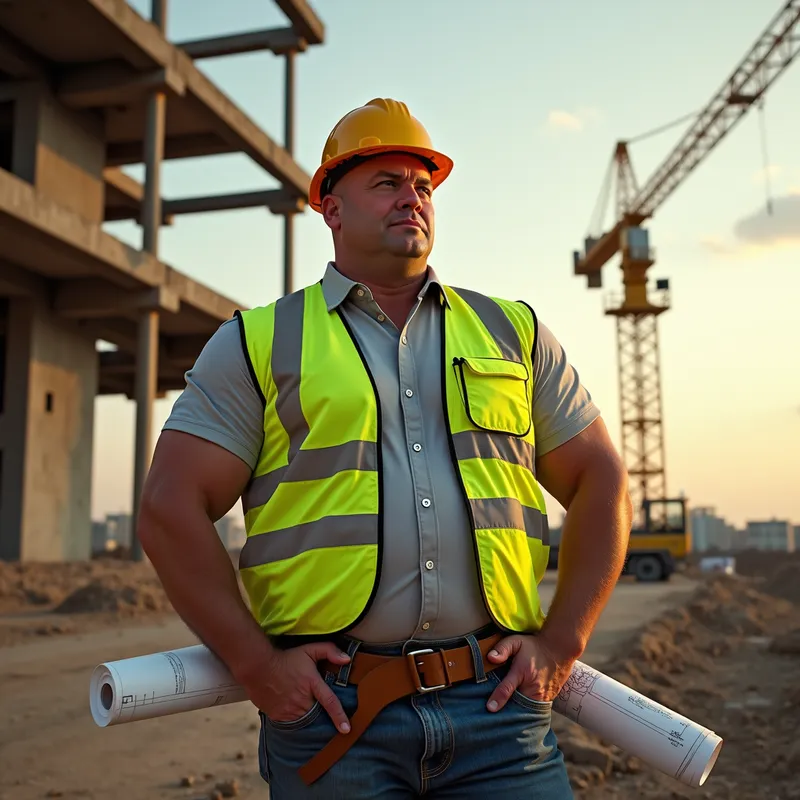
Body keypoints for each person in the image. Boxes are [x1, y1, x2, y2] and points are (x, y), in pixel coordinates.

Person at [138, 98, 633, 799]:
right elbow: (168, 507)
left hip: (497, 711)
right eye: (387, 183)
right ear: (332, 209)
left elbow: (601, 480)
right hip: (335, 716)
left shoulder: (511, 332)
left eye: (423, 186)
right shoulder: (259, 342)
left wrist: (562, 642)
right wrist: (255, 664)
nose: (412, 199)